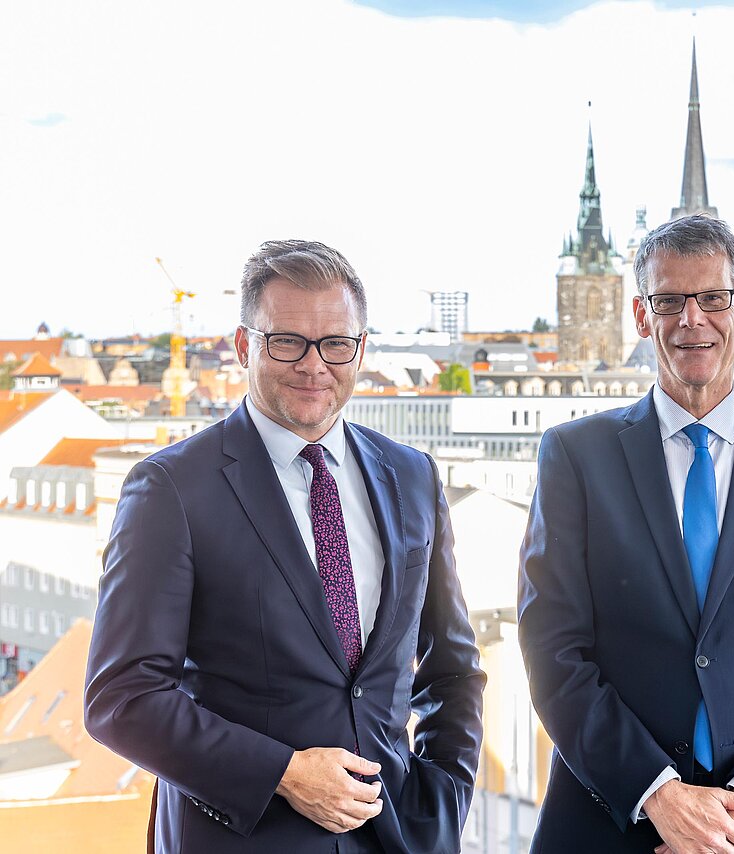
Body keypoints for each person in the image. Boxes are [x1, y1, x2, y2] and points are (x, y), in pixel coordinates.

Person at [85, 240, 485, 853]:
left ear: (360, 346)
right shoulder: (172, 488)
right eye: (287, 342)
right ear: (245, 345)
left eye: (335, 344)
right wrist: (284, 775)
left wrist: (442, 804)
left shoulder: (412, 476)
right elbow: (123, 699)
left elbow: (453, 666)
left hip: (396, 836)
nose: (313, 365)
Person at [518, 214, 734, 854]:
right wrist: (657, 793)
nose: (692, 320)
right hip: (615, 822)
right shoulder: (575, 456)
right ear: (640, 313)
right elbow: (552, 648)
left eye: (712, 299)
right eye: (669, 301)